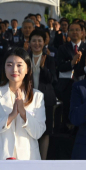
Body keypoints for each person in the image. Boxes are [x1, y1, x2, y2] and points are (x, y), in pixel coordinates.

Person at [0, 48, 46, 160]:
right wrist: (10, 116)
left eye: (19, 65)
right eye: (9, 65)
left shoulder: (37, 96)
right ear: (4, 68)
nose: (14, 69)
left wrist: (23, 113)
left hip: (27, 158)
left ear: (27, 69)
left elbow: (38, 132)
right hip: (0, 158)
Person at [26, 29, 57, 159]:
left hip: (46, 99)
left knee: (45, 131)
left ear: (44, 42)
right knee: (29, 128)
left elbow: (52, 79)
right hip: (28, 98)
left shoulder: (49, 59)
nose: (37, 43)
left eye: (40, 41)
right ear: (29, 42)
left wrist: (43, 68)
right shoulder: (25, 58)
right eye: (34, 40)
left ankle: (42, 160)